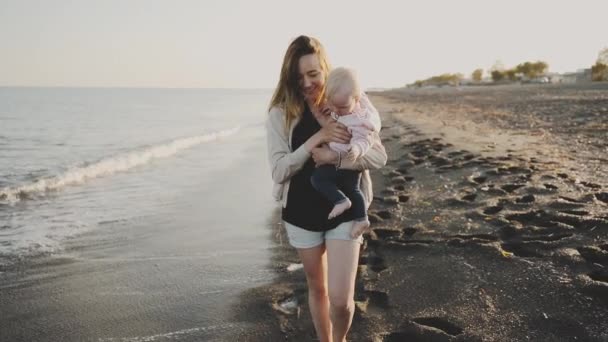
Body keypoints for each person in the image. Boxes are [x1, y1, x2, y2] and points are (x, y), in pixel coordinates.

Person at [265, 35, 387, 342]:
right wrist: (315, 140)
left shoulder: (351, 100)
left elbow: (378, 156)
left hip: (346, 207)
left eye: (313, 74)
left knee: (340, 300)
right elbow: (279, 170)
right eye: (298, 77)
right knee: (317, 288)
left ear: (325, 68)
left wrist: (337, 157)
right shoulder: (281, 114)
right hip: (302, 212)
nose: (306, 83)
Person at [310, 67, 380, 240]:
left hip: (348, 159)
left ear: (356, 99)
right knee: (353, 189)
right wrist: (327, 112)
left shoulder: (360, 119)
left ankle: (341, 201)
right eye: (331, 104)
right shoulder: (341, 108)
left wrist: (356, 149)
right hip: (342, 160)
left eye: (341, 106)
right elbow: (334, 113)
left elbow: (364, 139)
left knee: (318, 179)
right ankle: (362, 218)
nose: (337, 110)